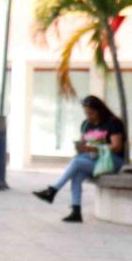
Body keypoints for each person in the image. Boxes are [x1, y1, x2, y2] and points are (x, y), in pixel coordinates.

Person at [33, 95, 126, 224]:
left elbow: (117, 147)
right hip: (93, 160)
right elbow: (82, 144)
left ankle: (52, 190)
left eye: (92, 113)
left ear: (100, 110)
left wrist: (95, 148)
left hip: (112, 161)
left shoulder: (113, 123)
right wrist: (80, 148)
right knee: (76, 174)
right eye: (86, 113)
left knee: (77, 162)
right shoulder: (86, 124)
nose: (89, 116)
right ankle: (76, 211)